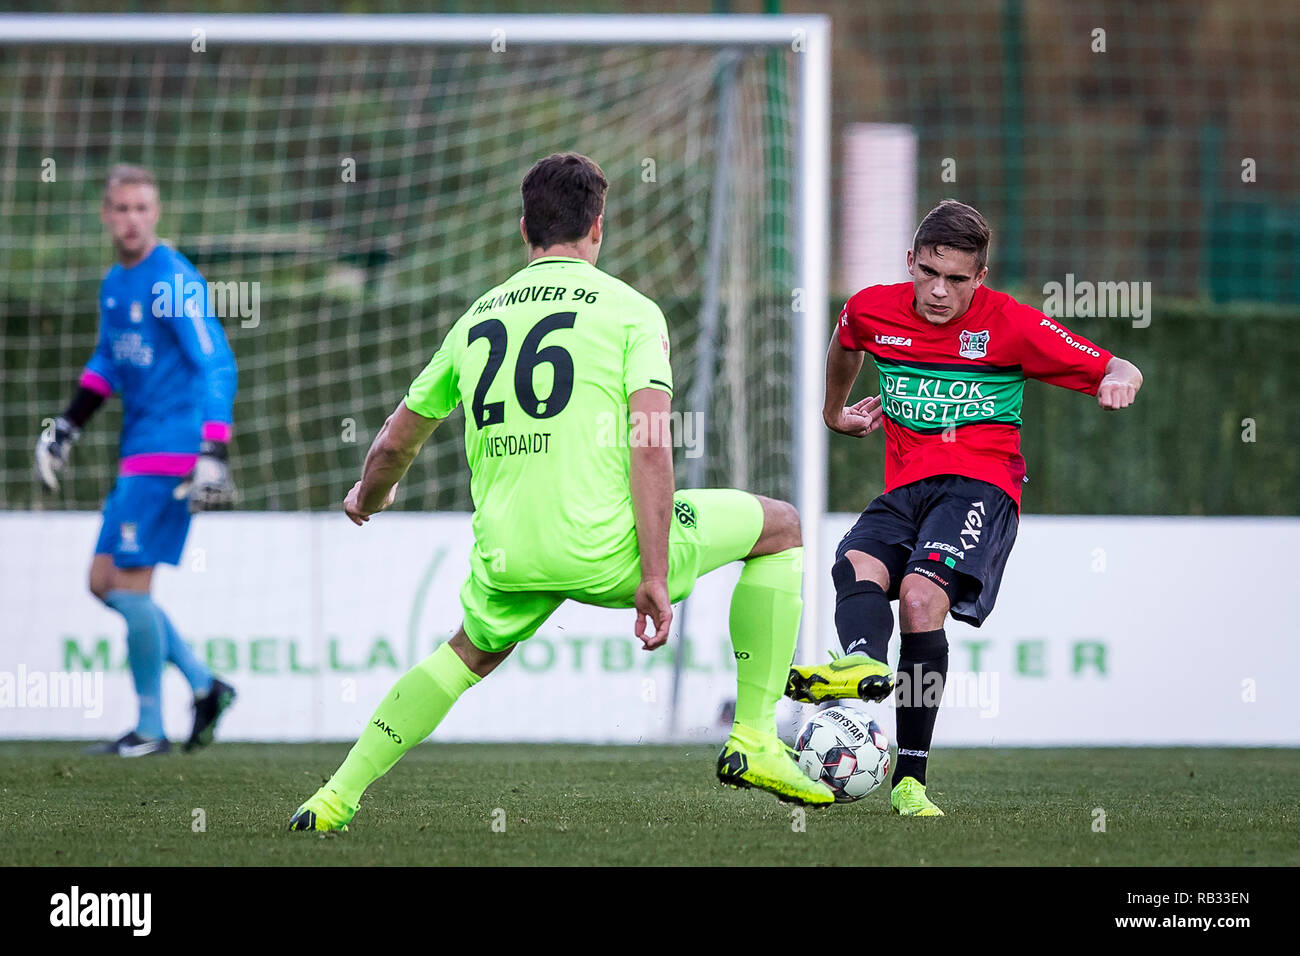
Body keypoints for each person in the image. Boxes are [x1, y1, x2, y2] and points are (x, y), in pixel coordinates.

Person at [290, 152, 833, 831]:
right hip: (607, 549)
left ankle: (334, 797)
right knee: (780, 526)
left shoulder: (478, 317)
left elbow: (395, 442)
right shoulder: (632, 312)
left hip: (510, 554)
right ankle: (754, 738)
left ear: (525, 229)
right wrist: (656, 574)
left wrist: (367, 499)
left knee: (466, 652)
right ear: (597, 228)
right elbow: (650, 442)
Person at [786, 199, 1143, 816]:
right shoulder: (874, 308)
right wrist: (833, 413)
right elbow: (847, 341)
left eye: (956, 279)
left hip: (981, 482)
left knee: (923, 599)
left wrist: (1118, 381)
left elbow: (1120, 365)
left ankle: (910, 782)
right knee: (855, 563)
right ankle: (865, 668)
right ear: (911, 263)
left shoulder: (1012, 325)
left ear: (980, 277)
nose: (939, 291)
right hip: (906, 487)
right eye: (928, 272)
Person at [35, 164, 239, 756]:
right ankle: (205, 687)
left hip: (173, 455)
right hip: (138, 451)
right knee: (104, 582)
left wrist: (212, 450)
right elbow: (108, 362)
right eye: (121, 209)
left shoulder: (170, 279)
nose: (131, 219)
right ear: (106, 214)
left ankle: (150, 729)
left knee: (127, 584)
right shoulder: (114, 283)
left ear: (157, 213)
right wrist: (66, 427)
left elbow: (216, 362)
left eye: (142, 209)